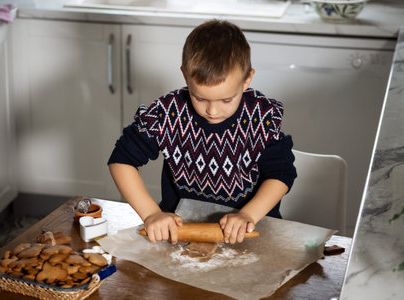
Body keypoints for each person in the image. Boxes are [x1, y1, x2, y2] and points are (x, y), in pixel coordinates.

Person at [108, 19, 297, 245]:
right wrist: (151, 213)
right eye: (200, 98)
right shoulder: (168, 114)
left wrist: (248, 215)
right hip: (181, 233)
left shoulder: (261, 117)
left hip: (252, 232)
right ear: (186, 76)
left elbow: (281, 174)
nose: (213, 111)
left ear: (247, 79)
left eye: (227, 99)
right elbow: (121, 161)